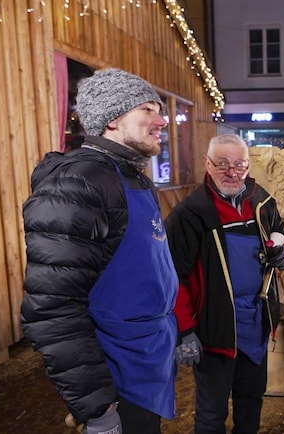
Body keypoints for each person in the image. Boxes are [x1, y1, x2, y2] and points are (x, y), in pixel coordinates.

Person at [21, 68, 178, 434]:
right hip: (115, 376)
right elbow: (52, 308)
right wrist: (97, 406)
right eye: (148, 109)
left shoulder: (131, 176)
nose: (163, 119)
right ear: (112, 119)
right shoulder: (78, 184)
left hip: (146, 363)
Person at [165, 133, 284, 434]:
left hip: (256, 323)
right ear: (207, 164)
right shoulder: (190, 214)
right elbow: (173, 278)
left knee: (251, 401)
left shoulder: (262, 202)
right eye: (222, 164)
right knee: (211, 414)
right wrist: (185, 332)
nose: (232, 172)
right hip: (215, 328)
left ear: (248, 165)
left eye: (239, 165)